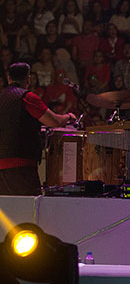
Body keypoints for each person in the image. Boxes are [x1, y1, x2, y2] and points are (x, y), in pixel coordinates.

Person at [0, 62, 76, 195]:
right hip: (21, 164)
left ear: (8, 78)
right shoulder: (27, 97)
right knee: (30, 208)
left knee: (7, 210)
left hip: (2, 165)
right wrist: (68, 116)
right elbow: (54, 121)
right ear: (28, 79)